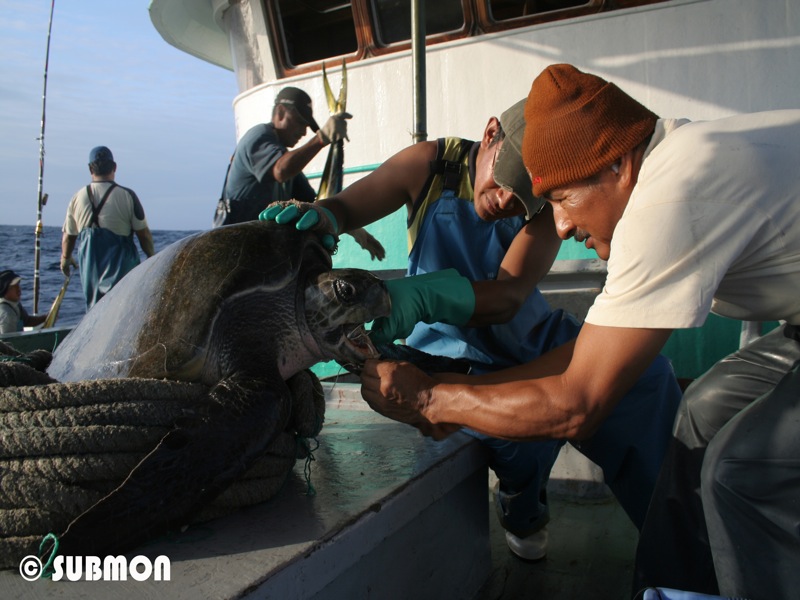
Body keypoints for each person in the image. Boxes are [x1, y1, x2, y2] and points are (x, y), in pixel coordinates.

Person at [352, 64, 800, 600]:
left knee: (741, 470)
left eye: (562, 199)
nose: (560, 226)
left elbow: (576, 402)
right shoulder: (675, 154)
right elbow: (579, 364)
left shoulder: (671, 199)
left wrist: (430, 398)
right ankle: (684, 589)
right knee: (704, 409)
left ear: (616, 165)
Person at [262, 99, 682, 561]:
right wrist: (321, 215)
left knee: (648, 380)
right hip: (443, 353)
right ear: (489, 135)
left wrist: (422, 296)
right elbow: (342, 208)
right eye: (505, 184)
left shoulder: (547, 202)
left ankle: (676, 554)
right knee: (509, 438)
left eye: (523, 199)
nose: (506, 202)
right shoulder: (429, 165)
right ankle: (524, 497)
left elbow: (507, 296)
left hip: (525, 342)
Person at [219, 86, 384, 260]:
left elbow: (315, 204)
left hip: (259, 251)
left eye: (307, 126)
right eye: (299, 122)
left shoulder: (290, 167)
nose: (304, 132)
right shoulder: (258, 136)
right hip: (234, 251)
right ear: (281, 112)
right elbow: (280, 170)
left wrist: (356, 231)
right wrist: (322, 138)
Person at [61, 146, 156, 310]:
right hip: (123, 274)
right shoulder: (128, 196)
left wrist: (65, 258)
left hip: (91, 272)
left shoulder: (77, 198)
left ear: (90, 168)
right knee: (126, 311)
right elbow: (144, 235)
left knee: (95, 313)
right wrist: (152, 258)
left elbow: (69, 237)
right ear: (114, 167)